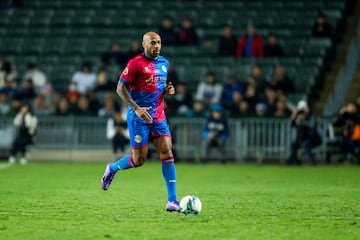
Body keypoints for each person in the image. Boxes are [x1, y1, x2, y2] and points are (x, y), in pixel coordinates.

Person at [100, 32, 180, 212]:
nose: (157, 46)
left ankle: (172, 200)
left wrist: (168, 90)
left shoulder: (164, 64)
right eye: (153, 43)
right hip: (138, 119)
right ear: (143, 45)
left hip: (158, 117)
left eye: (159, 42)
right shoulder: (135, 64)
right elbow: (120, 89)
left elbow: (157, 88)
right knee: (139, 160)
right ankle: (112, 169)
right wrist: (136, 108)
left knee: (167, 152)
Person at [286, 100, 321, 166]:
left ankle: (312, 161)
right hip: (300, 139)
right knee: (293, 145)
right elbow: (290, 125)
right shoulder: (298, 118)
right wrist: (293, 116)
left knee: (306, 144)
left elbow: (312, 129)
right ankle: (294, 161)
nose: (302, 112)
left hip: (312, 139)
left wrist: (304, 120)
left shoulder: (311, 117)